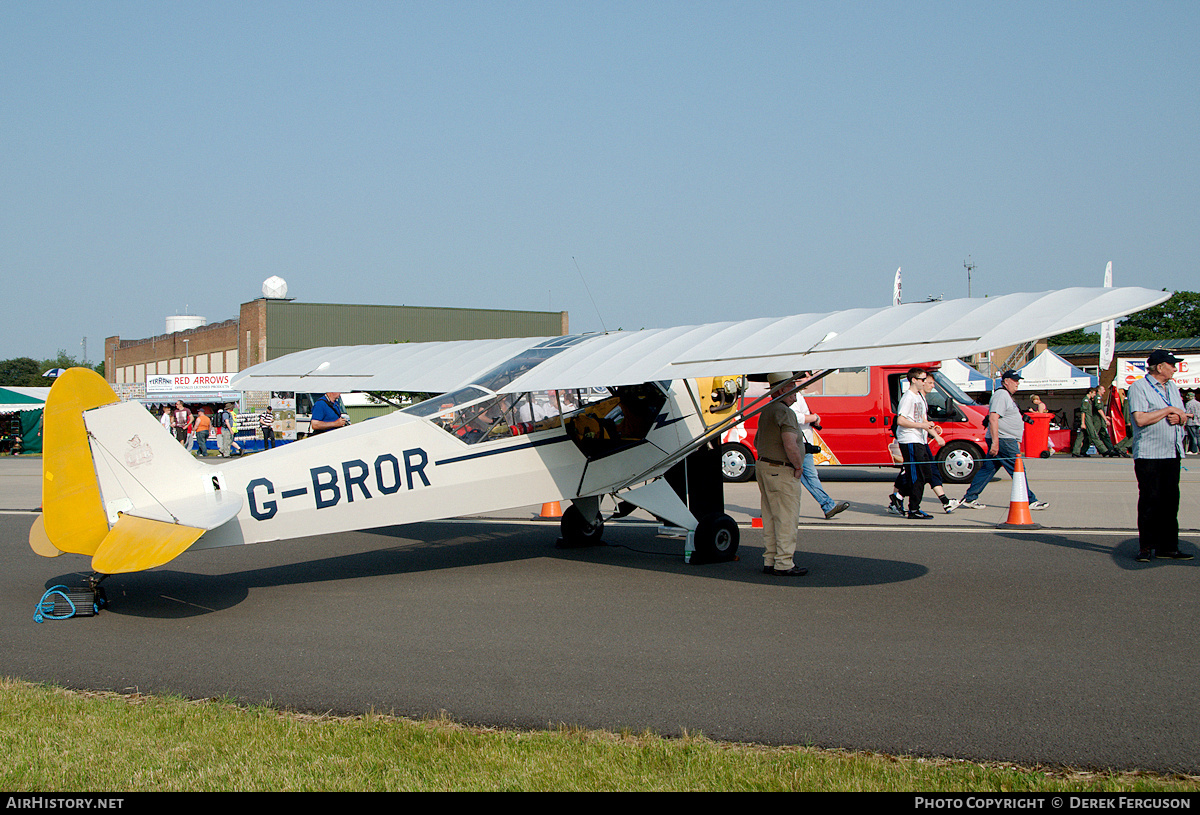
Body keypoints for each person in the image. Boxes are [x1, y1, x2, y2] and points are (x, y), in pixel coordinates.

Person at [1129, 350, 1191, 562]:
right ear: (1159, 367)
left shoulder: (1172, 387)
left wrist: (1179, 417)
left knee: (1171, 501)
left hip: (1171, 452)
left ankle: (1169, 546)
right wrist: (1168, 411)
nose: (1175, 368)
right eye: (1171, 364)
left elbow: (1182, 414)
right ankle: (1146, 546)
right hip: (1150, 454)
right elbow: (1140, 419)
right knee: (1150, 500)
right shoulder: (1139, 387)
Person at [957, 370, 1049, 511]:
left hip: (1005, 439)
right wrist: (995, 442)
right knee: (1018, 470)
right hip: (1003, 439)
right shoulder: (1001, 395)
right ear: (1006, 381)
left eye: (1018, 380)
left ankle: (970, 497)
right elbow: (993, 418)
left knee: (988, 469)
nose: (1018, 383)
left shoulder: (1006, 396)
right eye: (1015, 380)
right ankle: (1030, 500)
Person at [755, 372, 808, 577]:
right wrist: (798, 466)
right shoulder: (785, 413)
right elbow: (790, 443)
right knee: (786, 517)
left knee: (769, 516)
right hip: (781, 469)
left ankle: (770, 558)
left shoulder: (767, 410)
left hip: (764, 466)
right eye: (792, 387)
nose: (796, 392)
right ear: (782, 390)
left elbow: (757, 442)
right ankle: (784, 562)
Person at [889, 367, 958, 518]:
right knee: (917, 476)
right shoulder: (908, 398)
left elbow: (923, 420)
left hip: (920, 440)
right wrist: (921, 426)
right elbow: (901, 420)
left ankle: (899, 496)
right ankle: (913, 509)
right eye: (922, 379)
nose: (925, 382)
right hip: (910, 440)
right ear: (914, 380)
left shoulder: (920, 397)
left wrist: (935, 435)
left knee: (927, 474)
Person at [791, 372, 849, 520]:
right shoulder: (794, 396)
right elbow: (795, 417)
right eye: (806, 376)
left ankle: (827, 505)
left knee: (803, 478)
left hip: (803, 443)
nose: (809, 379)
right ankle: (828, 505)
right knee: (810, 476)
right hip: (800, 444)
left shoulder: (797, 395)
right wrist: (814, 417)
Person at [1072, 386, 1114, 457]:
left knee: (1081, 436)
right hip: (1087, 420)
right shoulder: (1085, 400)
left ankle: (1076, 452)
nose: (1094, 395)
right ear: (1090, 392)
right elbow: (1083, 412)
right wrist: (1083, 423)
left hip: (1088, 419)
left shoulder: (1088, 400)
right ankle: (1104, 450)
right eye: (1094, 393)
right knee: (1093, 435)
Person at [1184, 390, 1200, 455]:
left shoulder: (1188, 404)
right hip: (1198, 422)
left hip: (1191, 422)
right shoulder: (1198, 403)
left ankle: (1193, 450)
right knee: (1198, 436)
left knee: (1192, 437)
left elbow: (1187, 413)